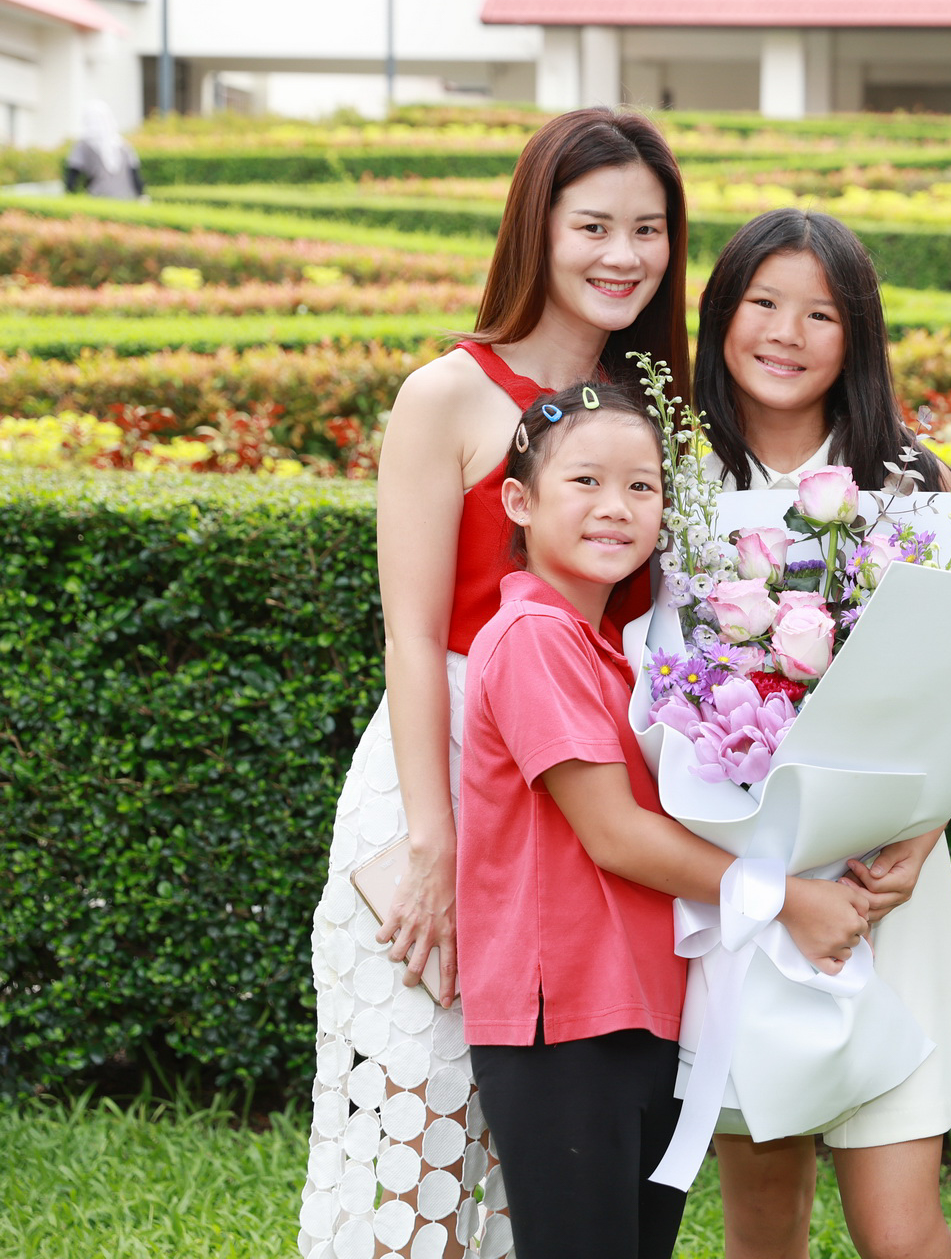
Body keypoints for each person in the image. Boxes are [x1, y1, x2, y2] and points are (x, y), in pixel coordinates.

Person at [298, 107, 692, 1259]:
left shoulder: (653, 404)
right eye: (596, 225)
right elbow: (413, 633)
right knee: (415, 1136)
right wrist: (433, 837)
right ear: (539, 226)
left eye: (651, 230)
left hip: (583, 796)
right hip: (446, 777)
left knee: (553, 1160)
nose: (625, 255)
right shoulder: (450, 393)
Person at [459, 381, 873, 1259]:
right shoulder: (535, 638)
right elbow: (611, 833)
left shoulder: (623, 654)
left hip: (640, 1013)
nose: (617, 508)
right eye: (586, 483)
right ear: (519, 502)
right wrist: (787, 897)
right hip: (565, 1018)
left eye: (643, 486)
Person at [693, 207, 951, 1259]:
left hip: (887, 889)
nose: (786, 332)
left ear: (857, 334)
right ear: (719, 314)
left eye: (821, 312)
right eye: (763, 303)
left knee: (900, 1228)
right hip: (748, 892)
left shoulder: (914, 486)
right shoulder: (670, 481)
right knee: (763, 1226)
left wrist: (918, 839)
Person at [63, 100, 143, 199]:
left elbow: (72, 174)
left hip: (98, 197)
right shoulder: (124, 145)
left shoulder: (83, 144)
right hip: (126, 198)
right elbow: (135, 175)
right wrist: (141, 195)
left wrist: (69, 196)